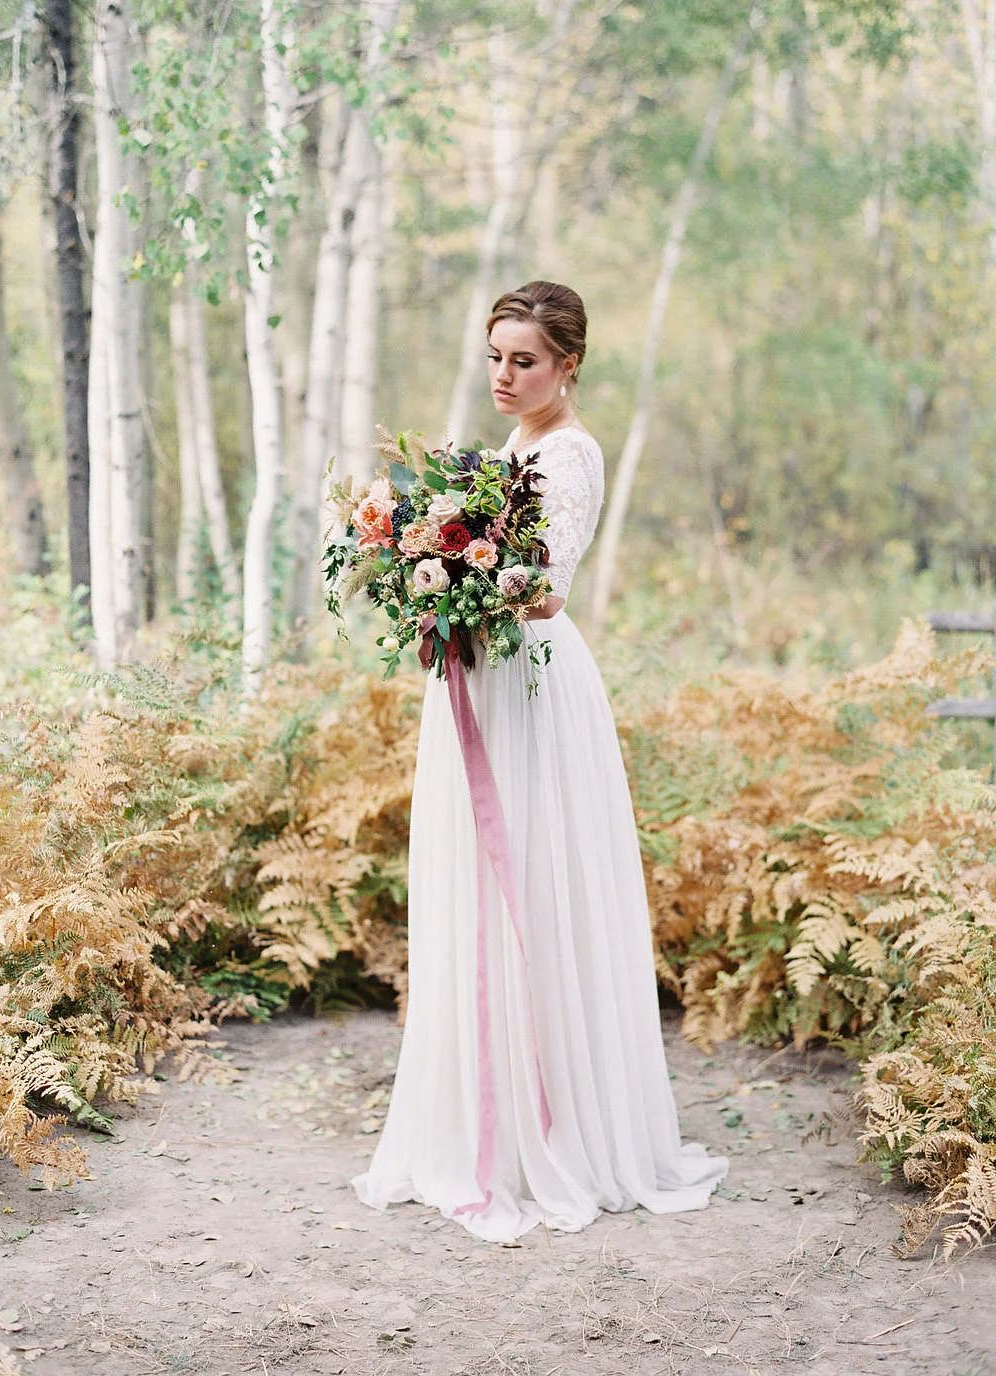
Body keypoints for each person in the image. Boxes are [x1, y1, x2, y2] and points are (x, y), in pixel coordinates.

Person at [353, 280, 727, 1243]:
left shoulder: (570, 455)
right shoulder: (502, 453)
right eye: (495, 357)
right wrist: (413, 564)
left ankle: (551, 1131)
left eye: (525, 360)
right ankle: (486, 1119)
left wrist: (462, 573)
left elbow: (545, 591)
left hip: (528, 687)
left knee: (534, 887)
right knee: (473, 891)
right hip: (475, 681)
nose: (505, 376)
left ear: (568, 364)